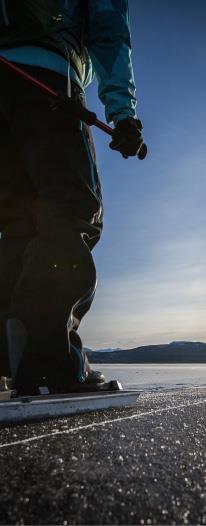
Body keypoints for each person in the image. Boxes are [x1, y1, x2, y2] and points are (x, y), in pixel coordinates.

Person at [0, 0, 146, 394]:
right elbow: (108, 29)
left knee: (18, 224)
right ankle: (47, 360)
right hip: (47, 79)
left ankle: (10, 359)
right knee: (72, 209)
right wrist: (123, 112)